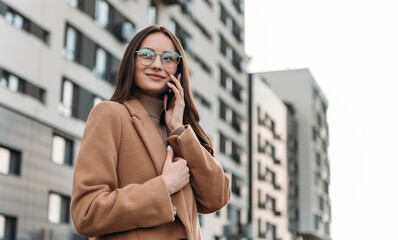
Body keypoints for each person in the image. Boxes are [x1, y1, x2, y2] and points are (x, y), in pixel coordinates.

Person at [70, 25, 231, 240]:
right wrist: (163, 187)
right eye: (146, 55)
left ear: (178, 69)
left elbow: (217, 197)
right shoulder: (110, 115)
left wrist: (180, 130)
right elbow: (87, 212)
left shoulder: (180, 131)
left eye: (169, 58)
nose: (157, 65)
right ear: (131, 61)